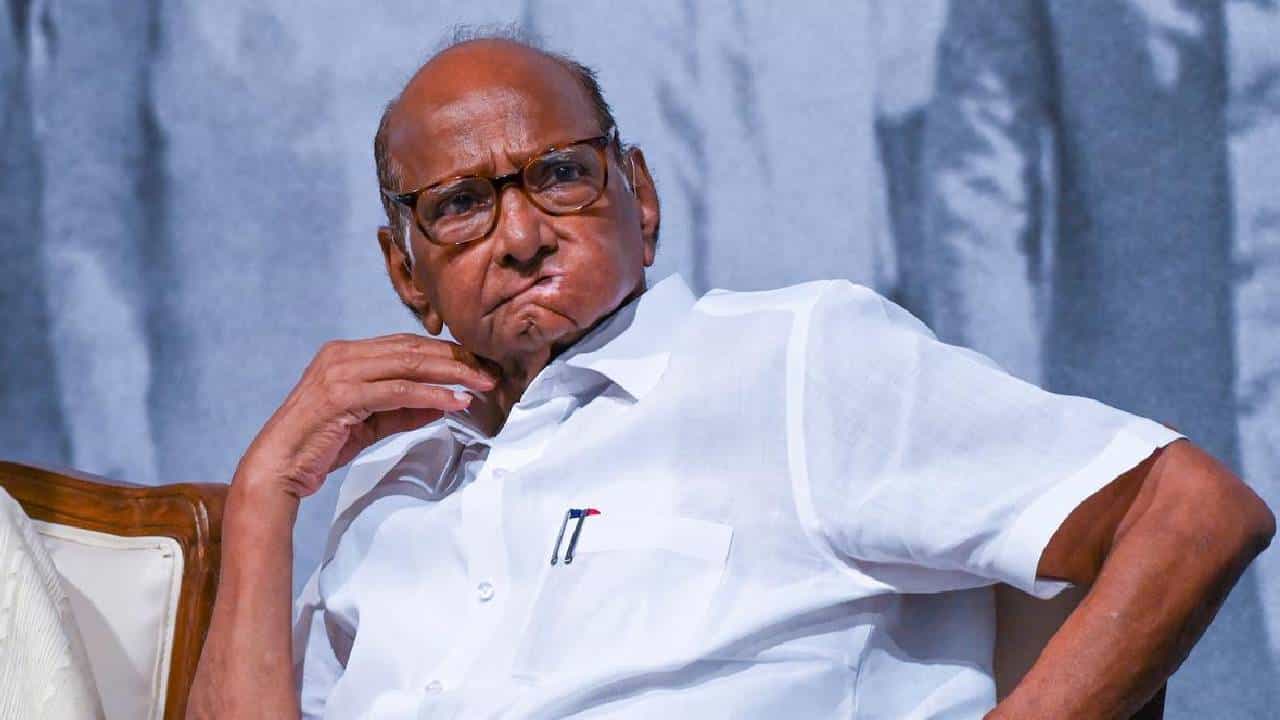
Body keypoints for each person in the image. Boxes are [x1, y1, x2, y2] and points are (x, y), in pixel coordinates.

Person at [187, 32, 1275, 719]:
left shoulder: (792, 359)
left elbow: (1191, 512)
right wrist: (265, 496)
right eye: (463, 205)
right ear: (405, 270)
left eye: (559, 176)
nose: (520, 236)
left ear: (641, 200)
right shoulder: (389, 488)